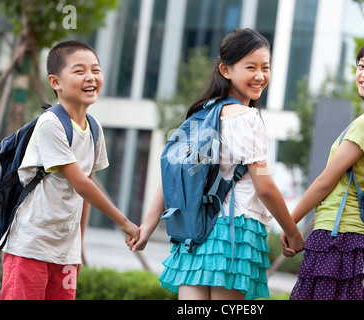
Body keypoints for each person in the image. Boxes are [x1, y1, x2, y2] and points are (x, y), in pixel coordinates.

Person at [129, 28, 304, 300]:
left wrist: (147, 227)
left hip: (195, 232)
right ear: (226, 70)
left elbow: (176, 176)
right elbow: (265, 187)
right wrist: (293, 232)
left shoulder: (202, 116)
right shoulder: (247, 118)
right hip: (235, 230)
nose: (260, 76)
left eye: (265, 67)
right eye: (250, 67)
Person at [0, 40, 140, 300]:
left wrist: (76, 249)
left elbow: (85, 193)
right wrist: (125, 223)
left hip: (64, 253)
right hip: (30, 247)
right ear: (55, 82)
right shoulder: (50, 124)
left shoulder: (94, 128)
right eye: (79, 71)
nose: (90, 77)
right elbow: (81, 184)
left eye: (96, 70)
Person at [281, 38, 364, 300]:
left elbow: (326, 181)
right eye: (361, 65)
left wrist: (290, 223)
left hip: (338, 240)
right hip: (362, 243)